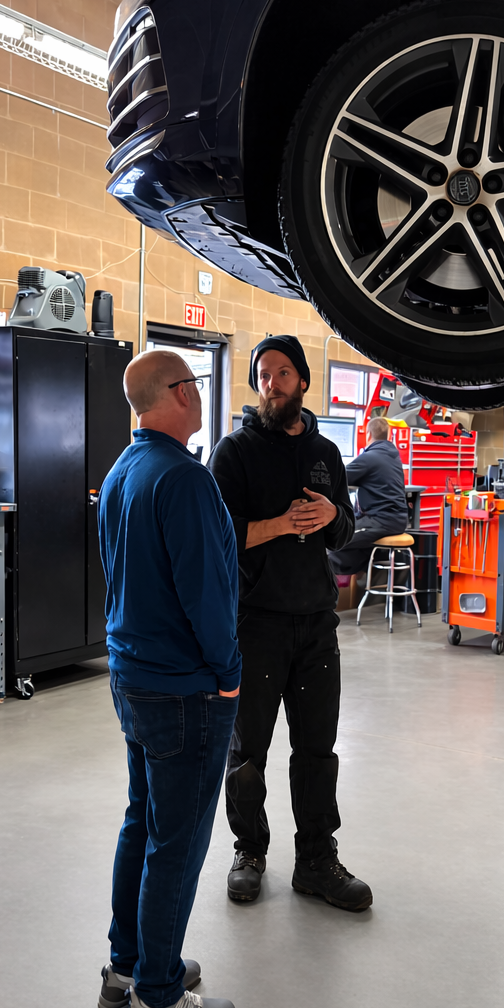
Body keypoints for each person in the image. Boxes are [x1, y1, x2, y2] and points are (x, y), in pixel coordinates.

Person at [97, 349, 241, 1008]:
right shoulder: (184, 478)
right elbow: (205, 591)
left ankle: (127, 967)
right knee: (177, 842)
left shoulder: (123, 471)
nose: (200, 396)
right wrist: (229, 671)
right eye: (197, 386)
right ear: (179, 394)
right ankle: (157, 999)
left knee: (143, 822)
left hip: (132, 677)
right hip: (185, 689)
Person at [208, 334, 373, 911]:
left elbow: (346, 529)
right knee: (247, 751)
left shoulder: (326, 452)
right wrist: (280, 524)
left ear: (302, 380)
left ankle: (316, 860)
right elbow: (219, 536)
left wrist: (331, 516)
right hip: (256, 623)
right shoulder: (234, 452)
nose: (271, 383)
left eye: (282, 373)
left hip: (316, 624)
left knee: (317, 750)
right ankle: (249, 850)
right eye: (263, 374)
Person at [327, 415, 410, 576]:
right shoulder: (393, 456)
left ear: (368, 434)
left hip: (382, 520)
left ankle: (331, 581)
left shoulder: (370, 457)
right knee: (345, 538)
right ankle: (364, 576)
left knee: (336, 535)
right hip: (397, 520)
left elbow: (337, 478)